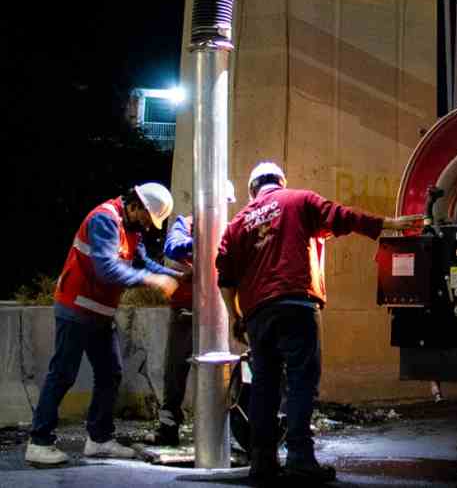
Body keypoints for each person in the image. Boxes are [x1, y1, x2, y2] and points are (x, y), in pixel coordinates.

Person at [217, 162, 415, 482]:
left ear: (253, 190)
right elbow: (342, 216)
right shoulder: (299, 200)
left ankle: (262, 461)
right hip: (297, 303)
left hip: (258, 315)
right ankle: (300, 459)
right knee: (300, 382)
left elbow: (225, 277)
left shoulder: (238, 223)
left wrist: (235, 318)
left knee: (264, 386)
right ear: (280, 181)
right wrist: (389, 223)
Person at [26, 183, 184, 467]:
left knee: (110, 372)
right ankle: (39, 442)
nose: (149, 226)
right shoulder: (104, 219)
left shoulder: (132, 228)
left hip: (99, 312)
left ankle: (99, 439)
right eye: (148, 218)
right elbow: (106, 269)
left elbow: (142, 262)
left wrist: (174, 276)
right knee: (62, 373)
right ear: (136, 206)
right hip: (76, 307)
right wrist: (152, 280)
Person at [153, 180, 238, 447]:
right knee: (176, 368)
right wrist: (204, 242)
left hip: (219, 312)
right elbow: (173, 247)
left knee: (224, 370)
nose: (221, 207)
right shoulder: (186, 224)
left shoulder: (231, 228)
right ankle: (169, 424)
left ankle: (224, 429)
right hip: (186, 309)